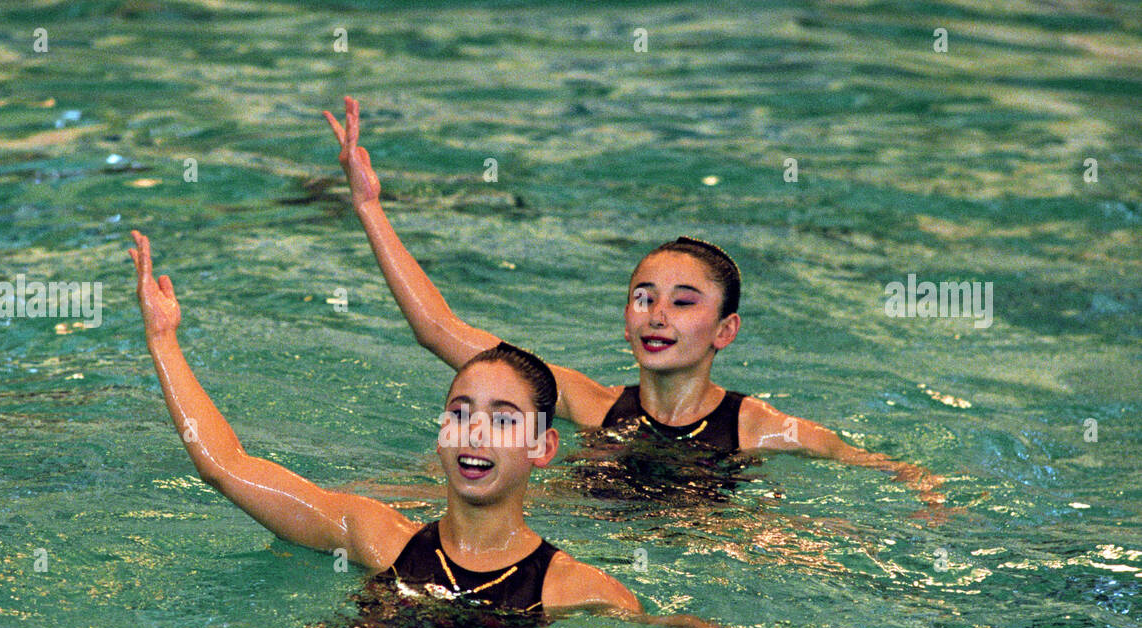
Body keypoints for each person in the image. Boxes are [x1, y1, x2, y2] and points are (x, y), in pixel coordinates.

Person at [98, 230, 763, 628]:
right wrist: (163, 340)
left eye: (503, 420)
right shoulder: (376, 535)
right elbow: (225, 466)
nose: (476, 434)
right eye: (461, 415)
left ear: (542, 447)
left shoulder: (570, 588)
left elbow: (663, 627)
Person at [323, 96, 953, 515]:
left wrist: (925, 491)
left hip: (717, 551)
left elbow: (878, 466)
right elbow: (438, 330)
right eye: (642, 298)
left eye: (684, 302)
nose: (657, 315)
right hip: (587, 523)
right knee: (380, 500)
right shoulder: (589, 404)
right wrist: (370, 209)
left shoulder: (757, 427)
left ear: (724, 331)